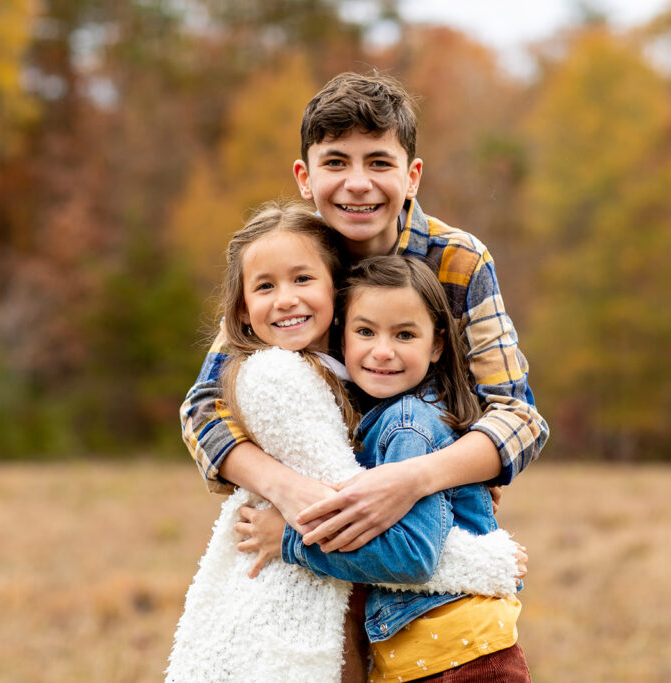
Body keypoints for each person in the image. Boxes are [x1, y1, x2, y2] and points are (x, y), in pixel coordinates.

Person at [180, 70, 548, 554]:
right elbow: (203, 408)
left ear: (411, 176)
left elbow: (518, 416)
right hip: (307, 519)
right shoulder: (287, 259)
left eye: (378, 162)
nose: (358, 184)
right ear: (305, 179)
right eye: (336, 162)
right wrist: (289, 490)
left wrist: (410, 479)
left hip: (423, 518)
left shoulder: (458, 260)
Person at [166, 203, 525, 683]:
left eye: (303, 280)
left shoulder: (394, 411)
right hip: (381, 633)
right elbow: (361, 524)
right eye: (266, 286)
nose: (287, 300)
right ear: (242, 310)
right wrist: (487, 560)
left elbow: (515, 413)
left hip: (450, 652)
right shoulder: (279, 377)